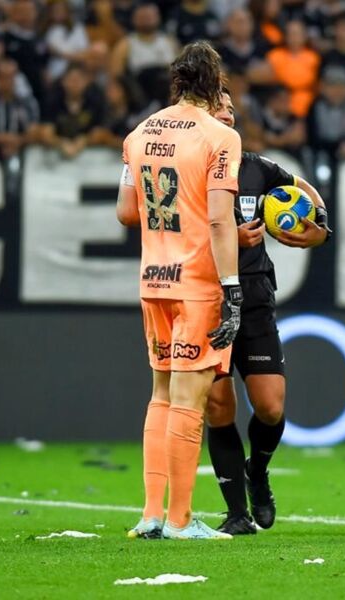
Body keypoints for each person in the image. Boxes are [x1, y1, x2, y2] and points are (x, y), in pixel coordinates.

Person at [116, 40, 242, 541]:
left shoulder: (138, 134)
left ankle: (151, 514)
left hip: (154, 280)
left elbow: (126, 212)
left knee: (161, 395)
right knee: (191, 400)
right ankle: (182, 521)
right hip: (197, 283)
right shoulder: (219, 136)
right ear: (214, 83)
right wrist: (231, 286)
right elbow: (218, 218)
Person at [204, 90, 331, 535]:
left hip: (255, 296)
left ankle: (257, 471)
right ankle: (236, 513)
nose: (227, 116)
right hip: (205, 297)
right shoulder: (188, 172)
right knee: (219, 406)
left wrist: (320, 227)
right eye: (217, 111)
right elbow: (170, 233)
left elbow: (305, 192)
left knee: (271, 407)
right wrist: (225, 239)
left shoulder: (258, 168)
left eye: (231, 111)